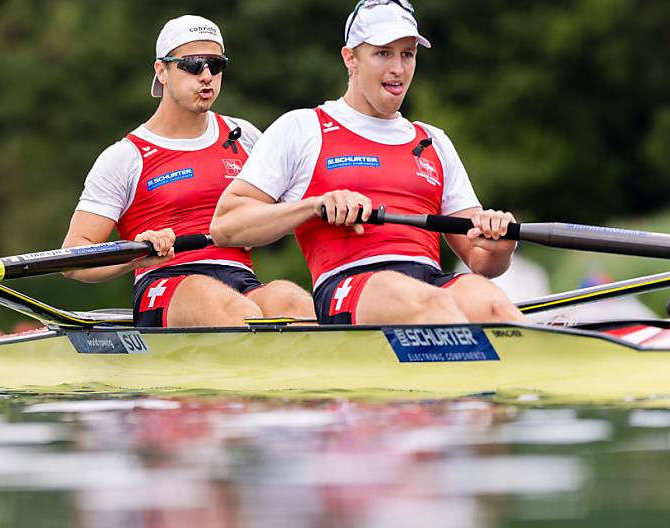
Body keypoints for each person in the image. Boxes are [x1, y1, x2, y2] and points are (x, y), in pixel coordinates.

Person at [210, 0, 525, 325]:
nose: (398, 69)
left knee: (494, 308)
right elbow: (225, 226)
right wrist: (314, 206)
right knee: (432, 306)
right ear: (350, 58)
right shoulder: (303, 128)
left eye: (407, 54)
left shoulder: (433, 141)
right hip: (350, 285)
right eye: (383, 53)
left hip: (430, 282)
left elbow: (482, 263)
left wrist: (500, 245)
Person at [62, 15, 314, 327]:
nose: (206, 75)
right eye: (193, 64)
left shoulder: (244, 136)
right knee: (232, 310)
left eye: (215, 64)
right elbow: (74, 258)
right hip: (166, 283)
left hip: (241, 280)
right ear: (162, 71)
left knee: (294, 302)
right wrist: (136, 255)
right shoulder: (126, 157)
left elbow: (292, 216)